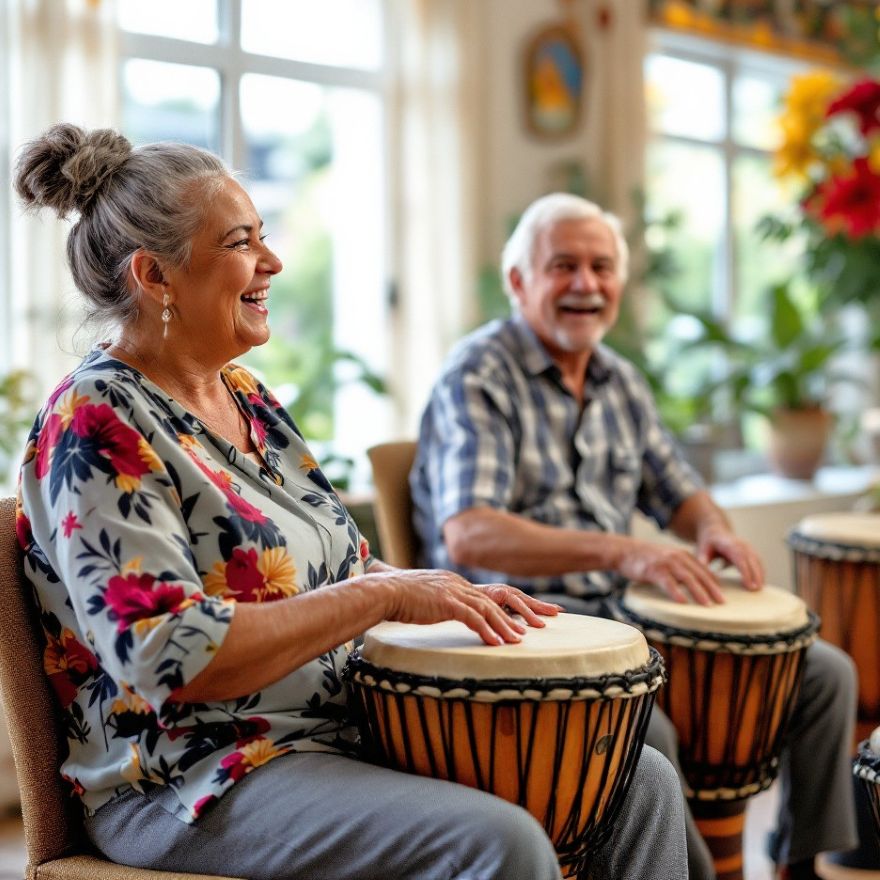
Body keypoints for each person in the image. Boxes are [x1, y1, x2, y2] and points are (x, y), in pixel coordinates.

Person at [13, 125, 688, 880]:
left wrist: (453, 599)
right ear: (155, 276)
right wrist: (382, 595)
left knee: (640, 782)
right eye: (241, 243)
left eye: (264, 237)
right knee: (500, 842)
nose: (272, 262)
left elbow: (351, 561)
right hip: (191, 775)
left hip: (333, 731)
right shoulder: (94, 420)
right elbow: (164, 655)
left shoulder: (248, 398)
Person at [411, 192, 859, 880]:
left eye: (601, 267)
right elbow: (471, 534)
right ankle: (707, 873)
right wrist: (624, 549)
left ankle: (801, 862)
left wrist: (712, 529)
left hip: (619, 623)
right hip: (520, 634)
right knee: (644, 725)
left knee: (824, 672)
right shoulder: (478, 373)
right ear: (519, 282)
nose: (586, 284)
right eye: (564, 266)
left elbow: (679, 491)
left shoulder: (621, 380)